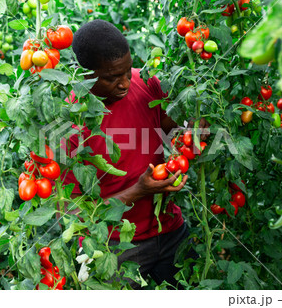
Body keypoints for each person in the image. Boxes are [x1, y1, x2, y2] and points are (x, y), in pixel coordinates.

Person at [62, 19, 207, 288]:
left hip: (169, 229)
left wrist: (192, 132)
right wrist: (139, 191)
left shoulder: (145, 83)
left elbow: (171, 128)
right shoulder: (68, 124)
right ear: (84, 74)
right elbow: (72, 212)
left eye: (128, 71)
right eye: (111, 77)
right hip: (113, 246)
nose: (125, 83)